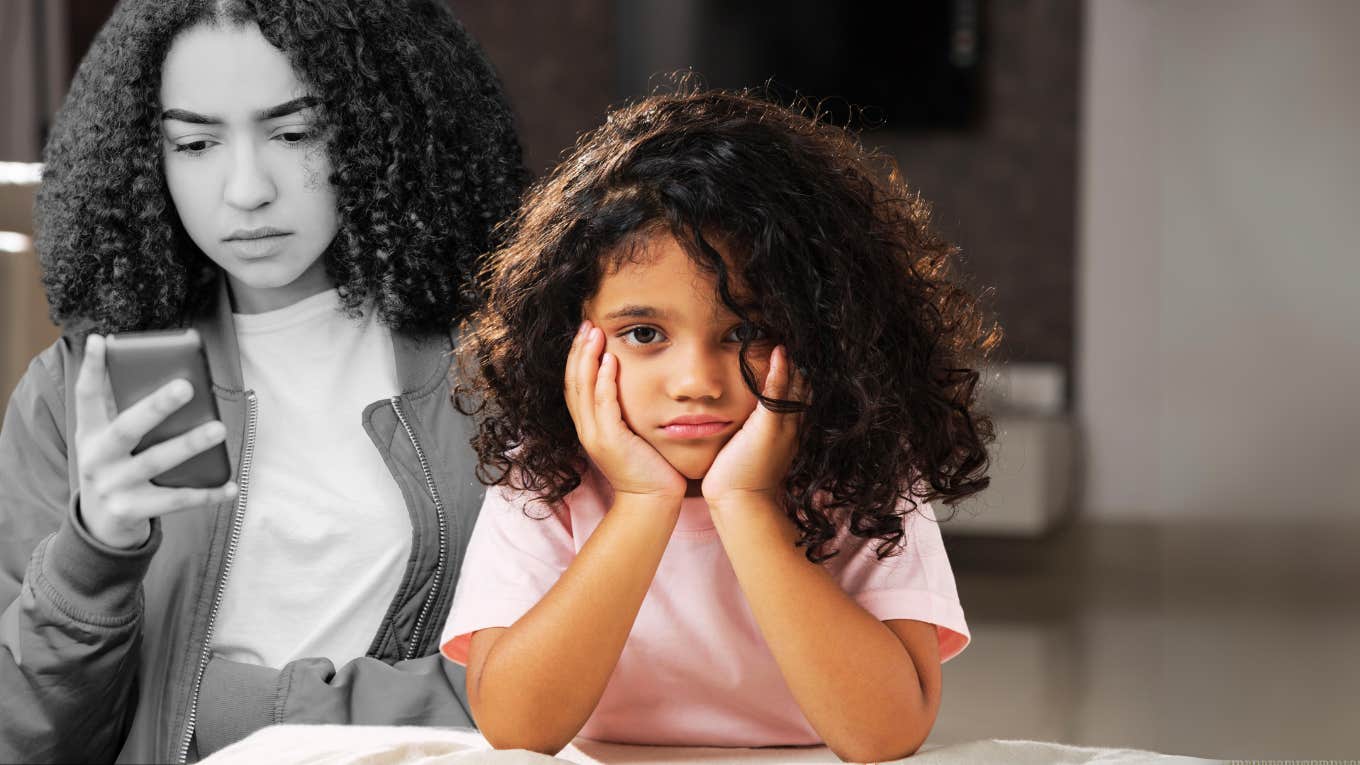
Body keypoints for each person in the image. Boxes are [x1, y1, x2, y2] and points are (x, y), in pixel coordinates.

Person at [0, 0, 524, 762]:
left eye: (294, 133)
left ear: (375, 127)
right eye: (196, 141)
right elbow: (23, 738)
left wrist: (238, 704)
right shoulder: (74, 394)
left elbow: (549, 674)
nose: (246, 190)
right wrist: (95, 549)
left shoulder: (492, 370)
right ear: (151, 154)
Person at [444, 89, 1001, 761]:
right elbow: (515, 728)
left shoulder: (866, 465)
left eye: (746, 331)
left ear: (826, 329)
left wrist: (746, 502)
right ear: (570, 336)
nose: (696, 382)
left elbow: (886, 734)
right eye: (645, 332)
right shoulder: (543, 472)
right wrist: (643, 503)